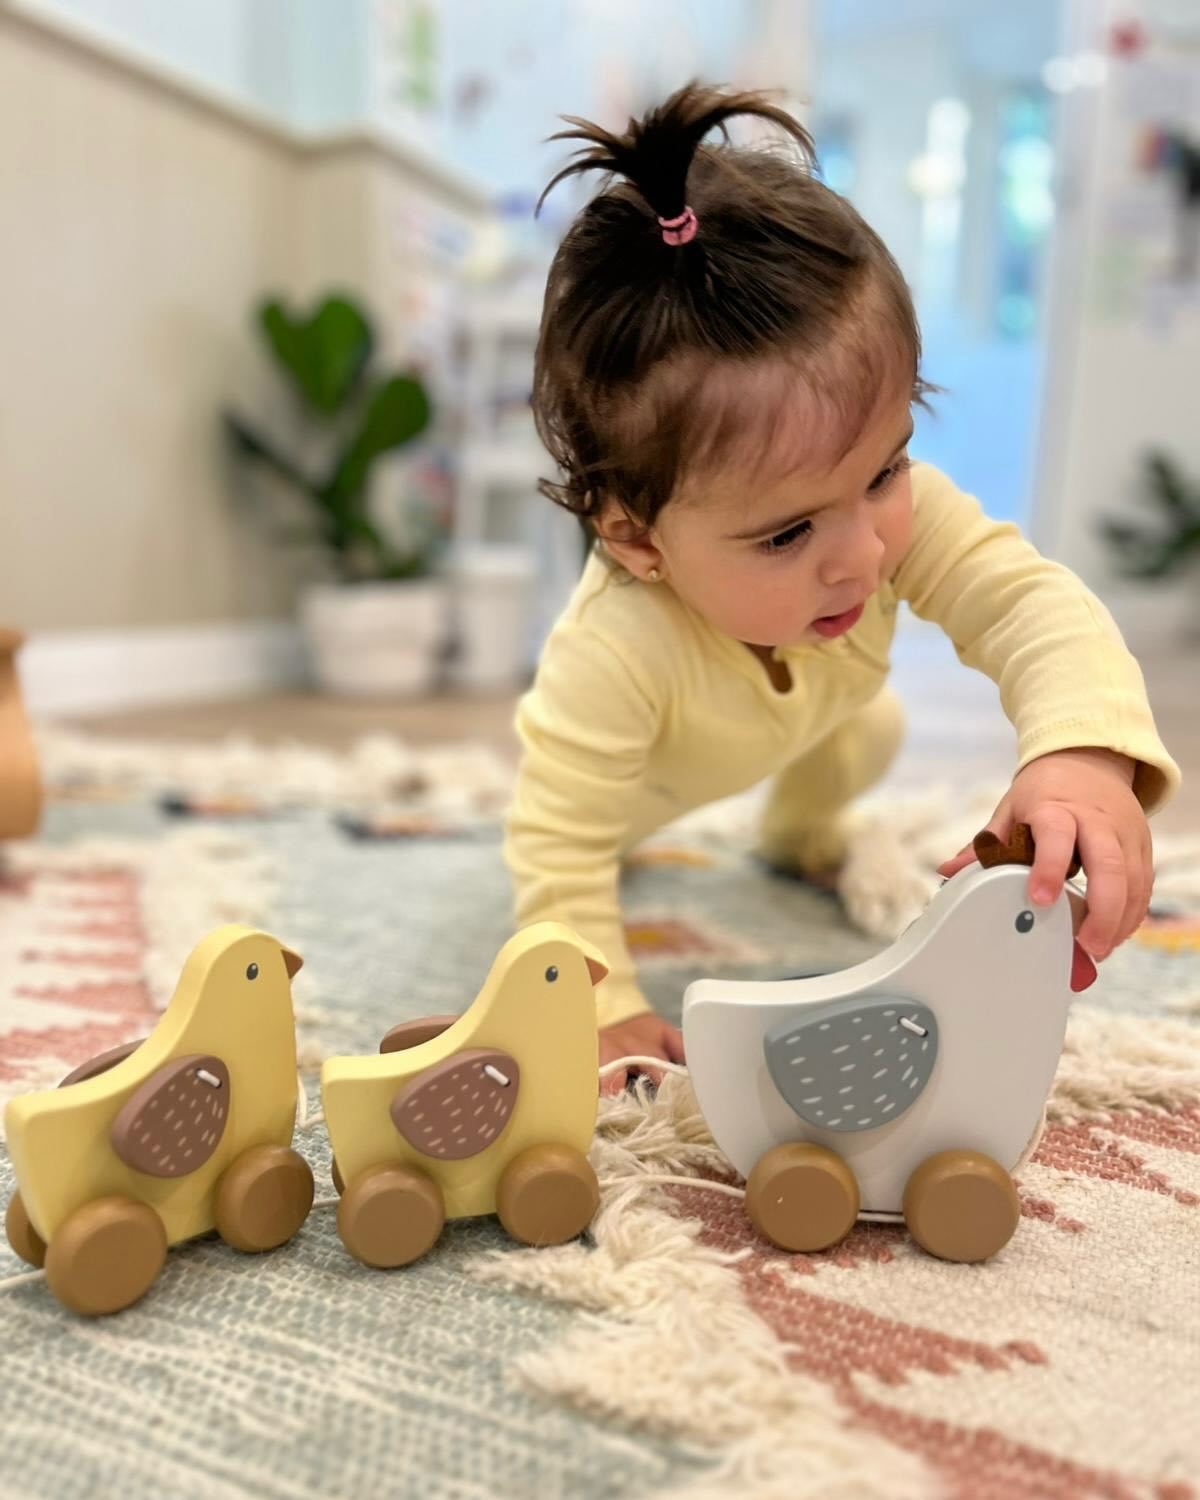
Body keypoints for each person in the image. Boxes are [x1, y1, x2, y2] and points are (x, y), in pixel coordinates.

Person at [503, 83, 1180, 1091]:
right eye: (787, 533)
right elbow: (556, 845)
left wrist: (1082, 751)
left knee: (873, 731)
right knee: (589, 849)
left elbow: (1029, 603)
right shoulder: (612, 652)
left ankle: (799, 832)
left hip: (818, 719)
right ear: (640, 540)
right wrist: (602, 1005)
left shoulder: (889, 523)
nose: (863, 553)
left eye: (884, 469)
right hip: (638, 793)